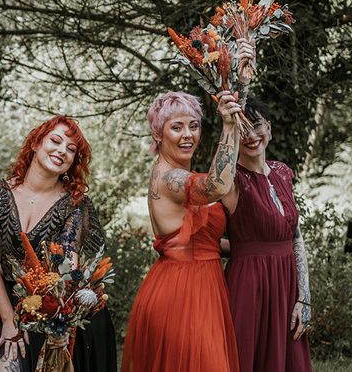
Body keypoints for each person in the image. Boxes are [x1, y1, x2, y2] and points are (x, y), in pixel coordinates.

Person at [0, 115, 118, 372]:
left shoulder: (75, 205)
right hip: (8, 305)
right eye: (56, 141)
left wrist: (55, 324)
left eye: (71, 150)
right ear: (36, 143)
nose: (62, 151)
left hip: (56, 311)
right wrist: (8, 320)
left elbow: (67, 270)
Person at [121, 87, 247, 372]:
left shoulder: (181, 173)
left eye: (194, 126)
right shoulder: (170, 178)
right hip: (183, 291)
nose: (188, 135)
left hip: (203, 284)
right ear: (158, 134)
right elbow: (217, 186)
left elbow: (203, 242)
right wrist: (229, 125)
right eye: (176, 127)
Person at [222, 98, 312, 371]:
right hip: (250, 285)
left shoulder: (283, 172)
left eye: (257, 125)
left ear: (269, 128)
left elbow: (296, 238)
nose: (250, 135)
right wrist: (241, 249)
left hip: (287, 285)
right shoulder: (229, 181)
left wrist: (304, 298)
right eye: (242, 128)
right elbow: (205, 238)